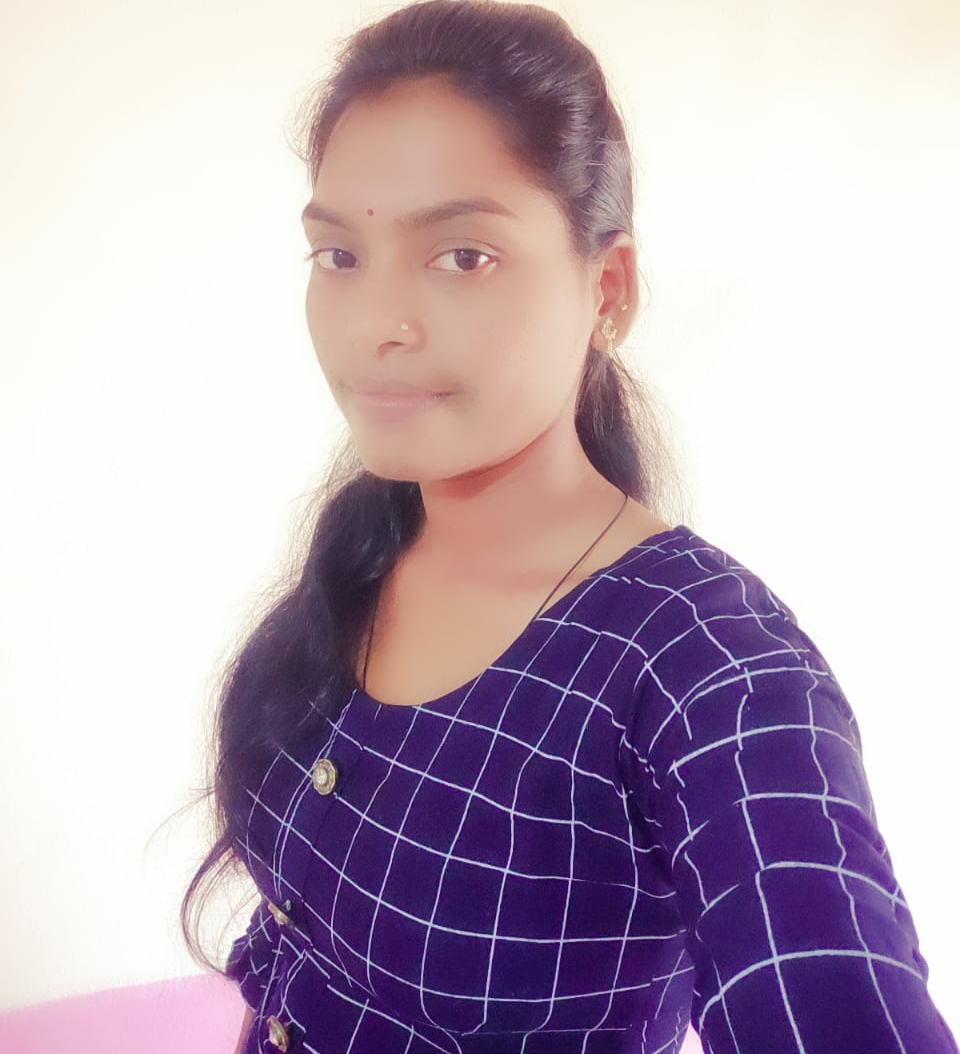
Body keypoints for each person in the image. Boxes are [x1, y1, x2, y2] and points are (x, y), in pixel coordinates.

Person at [181, 2, 958, 1051]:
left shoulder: (708, 668)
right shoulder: (371, 546)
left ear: (608, 288)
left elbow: (821, 982)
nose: (374, 326)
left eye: (463, 255)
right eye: (340, 256)